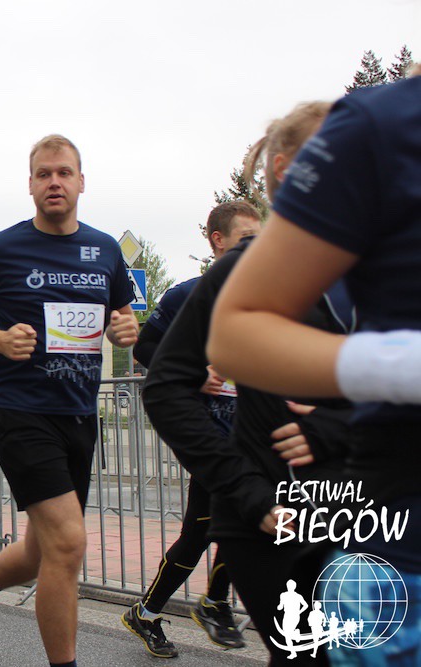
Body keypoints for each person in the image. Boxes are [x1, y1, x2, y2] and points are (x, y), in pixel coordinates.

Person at [209, 74, 421, 666]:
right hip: (295, 503)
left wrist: (331, 424)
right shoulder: (381, 126)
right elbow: (177, 373)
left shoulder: (356, 272)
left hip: (336, 497)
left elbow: (342, 398)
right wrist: (251, 498)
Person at [139, 101, 357, 665]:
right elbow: (163, 384)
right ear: (289, 168)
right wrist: (247, 490)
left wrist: (341, 423)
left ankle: (205, 601)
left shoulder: (379, 265)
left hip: (370, 507)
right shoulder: (240, 272)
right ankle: (180, 606)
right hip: (272, 513)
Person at [0, 134, 138, 667]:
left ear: (81, 181)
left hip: (79, 411)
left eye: (64, 172)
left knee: (41, 548)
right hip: (20, 409)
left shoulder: (105, 250)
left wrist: (125, 330)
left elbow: (123, 317)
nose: (54, 182)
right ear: (30, 184)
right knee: (69, 543)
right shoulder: (1, 248)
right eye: (44, 173)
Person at [121, 202, 262, 657]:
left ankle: (157, 610)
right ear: (218, 241)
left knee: (216, 528)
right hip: (207, 431)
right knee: (223, 523)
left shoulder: (265, 294)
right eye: (246, 238)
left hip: (251, 430)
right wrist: (197, 374)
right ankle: (211, 602)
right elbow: (145, 348)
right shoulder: (189, 294)